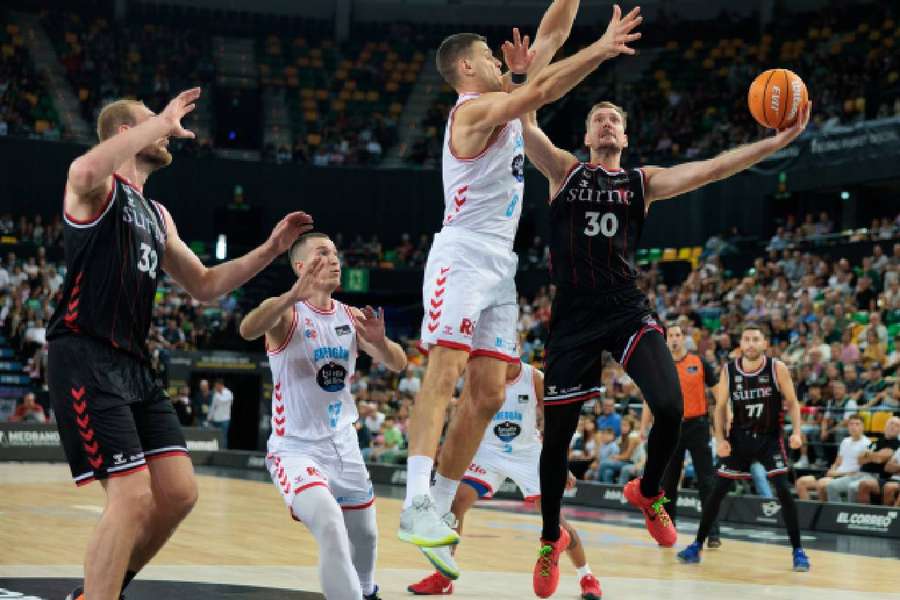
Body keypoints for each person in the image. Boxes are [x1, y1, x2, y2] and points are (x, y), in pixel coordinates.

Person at [520, 50, 811, 593]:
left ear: (625, 137)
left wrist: (774, 144)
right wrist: (522, 79)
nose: (607, 124)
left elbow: (712, 168)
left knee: (672, 406)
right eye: (598, 119)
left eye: (616, 120)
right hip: (573, 317)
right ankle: (548, 539)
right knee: (556, 439)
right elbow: (525, 119)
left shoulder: (642, 182)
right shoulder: (563, 171)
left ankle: (649, 490)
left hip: (627, 307)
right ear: (586, 136)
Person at [47, 88, 313, 600]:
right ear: (127, 134)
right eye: (153, 121)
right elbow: (81, 171)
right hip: (84, 354)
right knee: (130, 498)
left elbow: (206, 285)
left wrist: (271, 250)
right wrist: (163, 118)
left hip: (134, 364)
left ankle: (98, 590)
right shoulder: (96, 188)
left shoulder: (158, 214)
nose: (169, 129)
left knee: (178, 493)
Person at [401, 0, 633, 579]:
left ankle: (443, 512)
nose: (497, 59)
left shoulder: (501, 99)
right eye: (487, 55)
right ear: (469, 70)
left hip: (499, 266)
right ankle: (414, 504)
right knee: (445, 373)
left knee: (486, 393)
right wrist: (602, 49)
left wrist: (564, 30)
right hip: (462, 253)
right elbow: (538, 93)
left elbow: (552, 33)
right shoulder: (472, 113)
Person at [239, 231, 407, 600]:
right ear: (301, 266)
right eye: (322, 253)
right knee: (330, 523)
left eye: (336, 253)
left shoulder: (351, 316)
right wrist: (289, 296)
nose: (334, 260)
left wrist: (379, 342)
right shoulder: (286, 313)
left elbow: (398, 363)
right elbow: (247, 328)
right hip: (296, 449)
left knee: (366, 534)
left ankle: (366, 592)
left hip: (344, 445)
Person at [407, 360, 602, 600]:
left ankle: (587, 577)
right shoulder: (482, 374)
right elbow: (466, 416)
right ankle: (444, 577)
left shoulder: (534, 378)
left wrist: (561, 466)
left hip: (527, 452)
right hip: (488, 451)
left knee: (554, 518)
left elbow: (557, 425)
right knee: (457, 501)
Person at [676, 324, 810, 572]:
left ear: (764, 344)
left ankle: (798, 550)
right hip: (739, 439)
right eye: (746, 339)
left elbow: (792, 402)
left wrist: (797, 432)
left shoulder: (776, 368)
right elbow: (719, 406)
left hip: (770, 438)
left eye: (755, 339)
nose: (750, 343)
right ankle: (696, 545)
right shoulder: (729, 370)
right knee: (716, 491)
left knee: (783, 489)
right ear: (741, 344)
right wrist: (720, 439)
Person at [641, 323, 721, 547]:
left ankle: (713, 534)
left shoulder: (699, 362)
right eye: (671, 335)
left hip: (698, 426)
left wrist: (724, 420)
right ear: (666, 340)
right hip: (670, 427)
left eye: (678, 335)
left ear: (684, 338)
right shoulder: (660, 366)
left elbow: (718, 393)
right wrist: (642, 427)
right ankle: (668, 533)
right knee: (668, 482)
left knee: (706, 480)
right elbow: (649, 399)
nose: (674, 339)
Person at [795, 414, 872, 502]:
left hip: (847, 476)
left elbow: (860, 471)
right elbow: (838, 461)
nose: (853, 427)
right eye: (851, 424)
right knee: (801, 482)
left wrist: (838, 474)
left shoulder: (867, 444)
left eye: (857, 424)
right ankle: (809, 513)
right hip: (835, 474)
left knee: (822, 484)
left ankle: (828, 512)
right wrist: (832, 470)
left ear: (863, 427)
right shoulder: (845, 441)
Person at [206, 379, 233, 444]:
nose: (215, 387)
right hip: (215, 419)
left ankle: (223, 451)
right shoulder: (216, 394)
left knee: (223, 436)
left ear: (221, 385)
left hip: (224, 419)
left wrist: (216, 394)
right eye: (215, 386)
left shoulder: (228, 393)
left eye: (216, 386)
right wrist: (209, 417)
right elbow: (213, 407)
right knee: (215, 437)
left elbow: (222, 401)